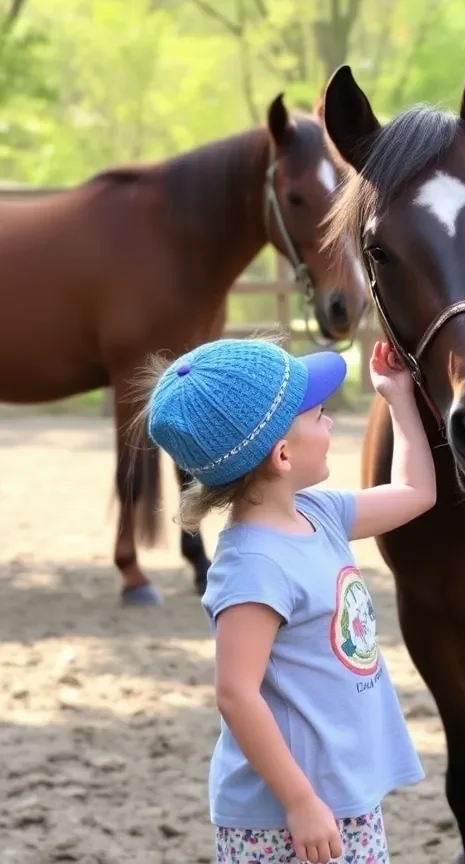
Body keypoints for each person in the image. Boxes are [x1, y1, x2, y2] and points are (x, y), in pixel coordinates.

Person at [141, 336, 436, 864]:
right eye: (320, 416)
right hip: (284, 816)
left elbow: (416, 493)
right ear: (281, 454)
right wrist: (300, 802)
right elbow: (236, 694)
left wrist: (399, 400)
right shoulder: (254, 566)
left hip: (341, 794)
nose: (331, 425)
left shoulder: (317, 513)